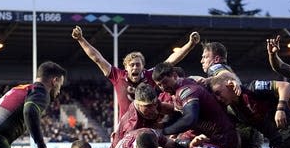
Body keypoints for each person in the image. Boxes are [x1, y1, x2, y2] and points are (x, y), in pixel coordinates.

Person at [71, 26, 199, 119]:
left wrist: (190, 44)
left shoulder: (150, 75)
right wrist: (81, 39)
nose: (135, 68)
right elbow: (97, 58)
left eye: (138, 65)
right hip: (126, 127)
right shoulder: (117, 76)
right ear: (126, 67)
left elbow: (171, 61)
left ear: (143, 66)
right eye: (131, 65)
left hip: (148, 124)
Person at [152, 62, 239, 148]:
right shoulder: (181, 89)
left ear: (175, 76)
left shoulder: (186, 90)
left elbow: (190, 119)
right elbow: (181, 114)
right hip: (211, 137)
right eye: (159, 85)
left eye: (165, 82)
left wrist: (164, 130)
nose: (163, 87)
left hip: (223, 139)